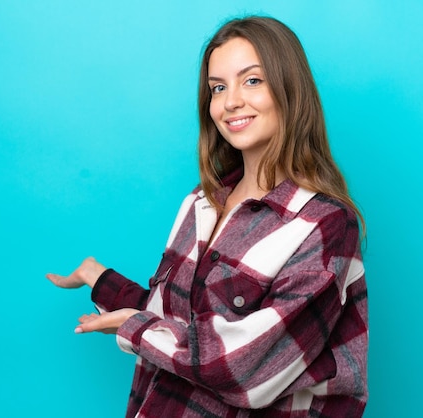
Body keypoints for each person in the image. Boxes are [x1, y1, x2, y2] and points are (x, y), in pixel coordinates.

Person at [47, 16, 368, 418]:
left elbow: (245, 367)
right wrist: (100, 279)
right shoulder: (201, 202)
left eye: (252, 80)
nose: (230, 101)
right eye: (218, 87)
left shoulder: (324, 224)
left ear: (290, 88)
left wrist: (135, 327)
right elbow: (175, 322)